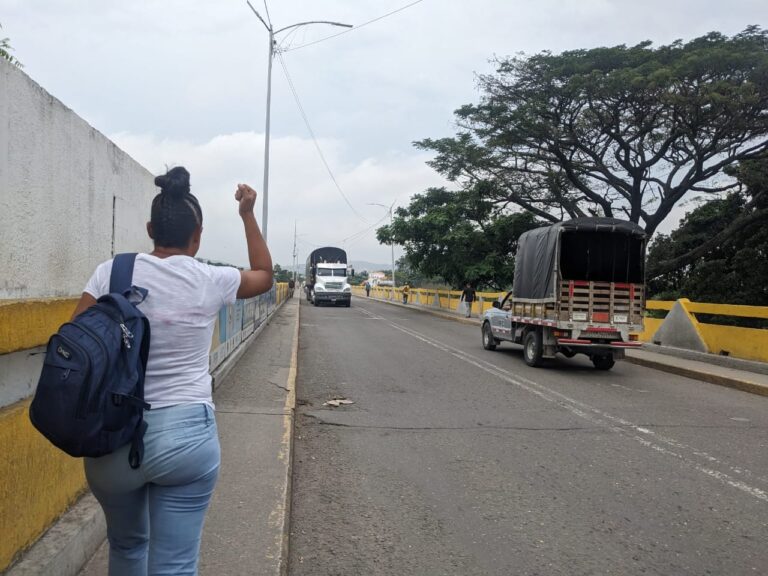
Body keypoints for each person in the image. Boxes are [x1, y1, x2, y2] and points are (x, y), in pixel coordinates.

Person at [71, 167, 273, 575]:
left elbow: (77, 343)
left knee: (127, 549)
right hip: (187, 440)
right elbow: (265, 276)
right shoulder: (209, 279)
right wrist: (247, 214)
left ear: (150, 229)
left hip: (114, 438)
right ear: (197, 236)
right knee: (175, 566)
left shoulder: (110, 272)